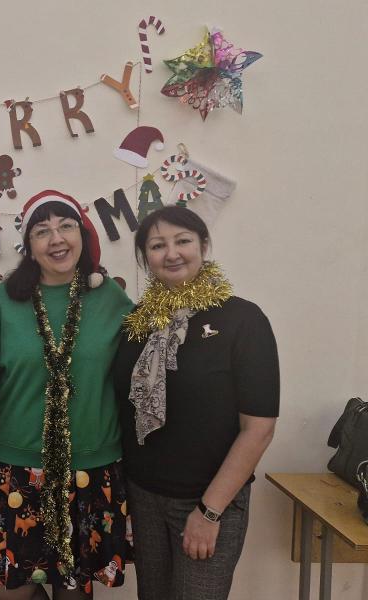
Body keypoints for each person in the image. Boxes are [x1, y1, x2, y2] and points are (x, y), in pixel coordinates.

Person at [0, 190, 134, 600]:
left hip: (90, 468)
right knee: (9, 589)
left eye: (66, 226)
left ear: (82, 235)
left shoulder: (111, 298)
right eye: (42, 230)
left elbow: (141, 375)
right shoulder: (3, 300)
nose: (56, 238)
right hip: (16, 467)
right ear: (29, 246)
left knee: (74, 590)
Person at [113, 206, 279, 600]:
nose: (171, 253)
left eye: (183, 241)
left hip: (208, 500)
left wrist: (209, 512)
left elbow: (258, 429)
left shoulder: (243, 320)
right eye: (158, 245)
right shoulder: (138, 322)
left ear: (203, 245)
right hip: (144, 496)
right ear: (145, 257)